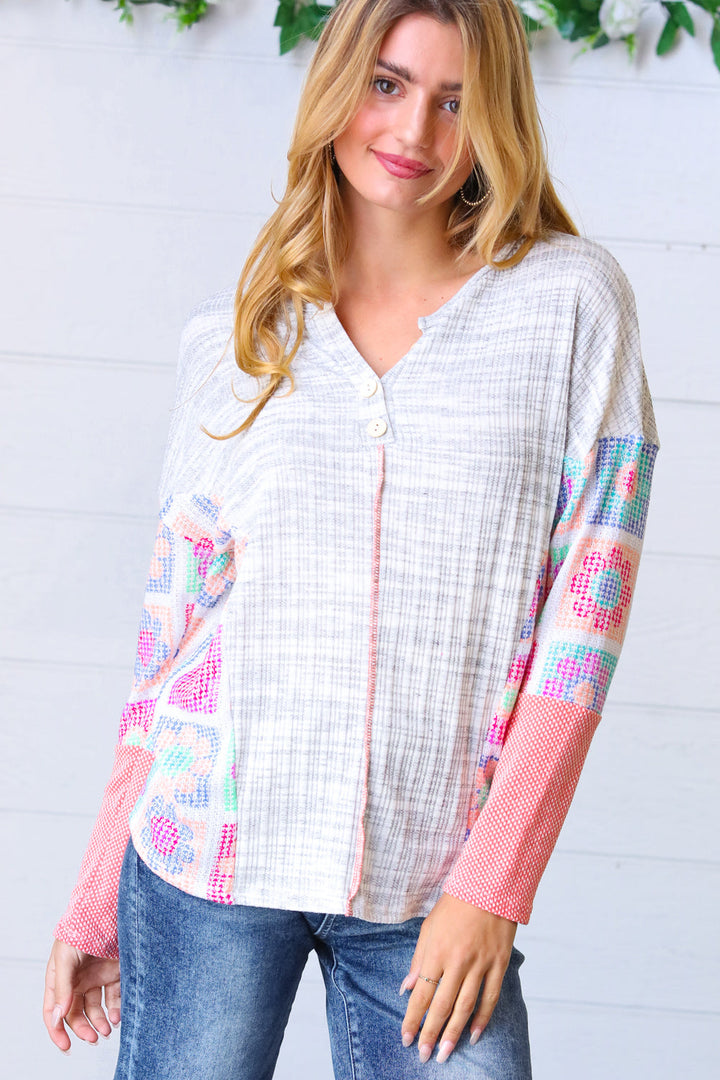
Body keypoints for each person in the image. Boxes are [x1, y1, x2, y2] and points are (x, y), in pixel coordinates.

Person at [42, 0, 659, 1076]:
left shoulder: (568, 304)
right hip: (205, 861)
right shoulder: (237, 338)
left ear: (497, 122)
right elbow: (169, 642)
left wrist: (493, 885)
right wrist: (99, 891)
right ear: (335, 86)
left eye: (455, 101)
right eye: (387, 84)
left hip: (435, 885)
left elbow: (583, 632)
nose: (414, 130)